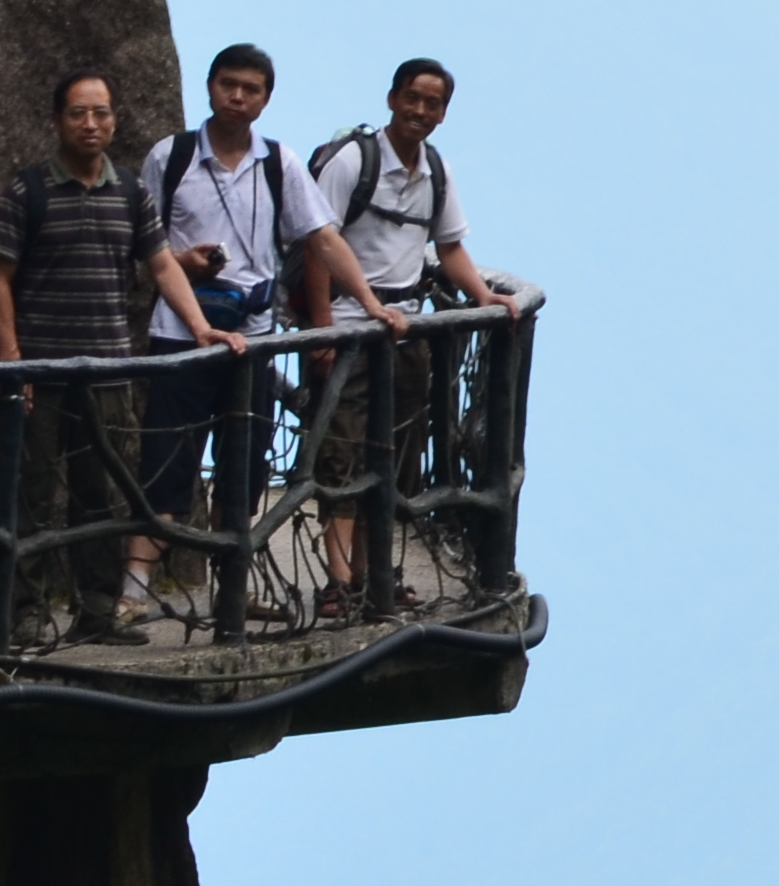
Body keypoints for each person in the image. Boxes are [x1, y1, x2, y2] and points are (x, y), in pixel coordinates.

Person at [137, 43, 391, 633]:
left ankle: (231, 589)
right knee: (165, 462)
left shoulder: (280, 164)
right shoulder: (170, 157)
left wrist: (371, 304)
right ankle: (134, 589)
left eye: (250, 89)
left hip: (253, 341)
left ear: (266, 98)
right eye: (229, 84)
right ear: (210, 87)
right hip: (179, 333)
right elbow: (141, 245)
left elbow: (321, 238)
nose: (238, 97)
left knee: (243, 470)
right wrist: (184, 261)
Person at [306, 58, 515, 612]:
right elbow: (317, 243)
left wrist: (484, 298)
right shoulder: (353, 162)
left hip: (406, 330)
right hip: (350, 327)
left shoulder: (435, 173)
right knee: (342, 452)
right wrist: (320, 330)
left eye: (433, 103)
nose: (420, 111)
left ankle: (379, 574)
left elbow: (449, 249)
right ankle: (339, 581)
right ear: (392, 98)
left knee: (396, 454)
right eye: (413, 98)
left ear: (444, 113)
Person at [0, 67, 170, 643]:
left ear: (115, 120)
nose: (91, 124)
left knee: (99, 496)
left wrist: (204, 328)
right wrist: (14, 361)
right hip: (42, 371)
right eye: (78, 113)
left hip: (108, 370)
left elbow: (161, 263)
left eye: (102, 113)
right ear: (58, 120)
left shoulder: (132, 190)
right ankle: (24, 616)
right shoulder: (29, 190)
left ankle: (95, 612)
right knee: (32, 494)